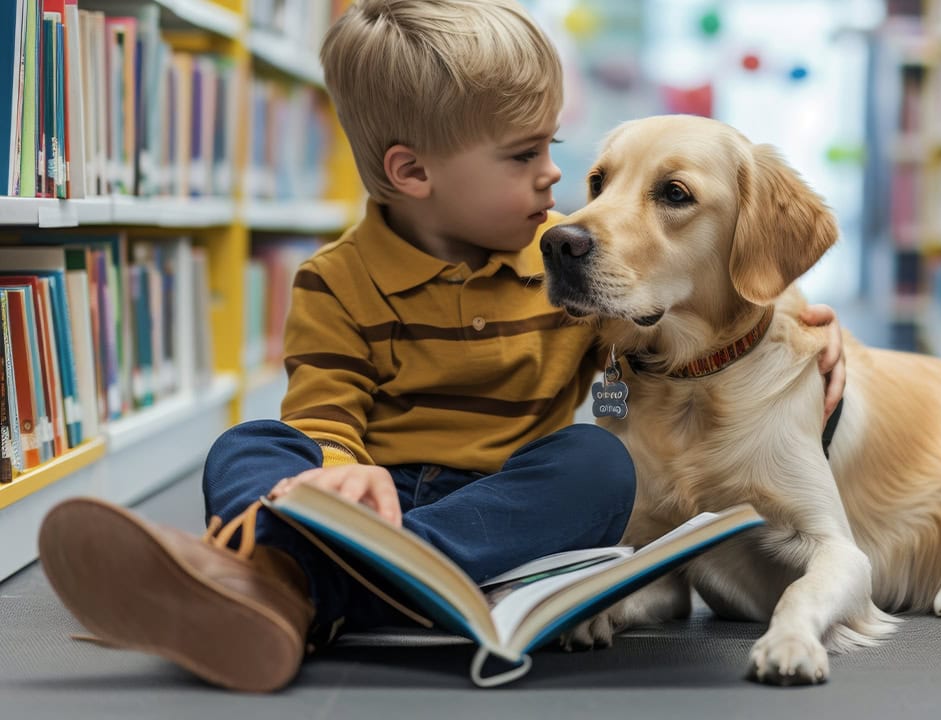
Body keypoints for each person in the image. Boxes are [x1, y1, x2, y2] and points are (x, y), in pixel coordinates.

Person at [37, 0, 847, 693]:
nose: (553, 183)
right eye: (524, 155)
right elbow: (325, 403)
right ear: (413, 172)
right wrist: (332, 462)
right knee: (250, 444)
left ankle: (280, 581)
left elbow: (687, 322)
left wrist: (805, 323)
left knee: (594, 467)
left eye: (554, 150)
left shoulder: (565, 269)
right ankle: (327, 574)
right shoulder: (335, 282)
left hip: (496, 508)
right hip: (366, 496)